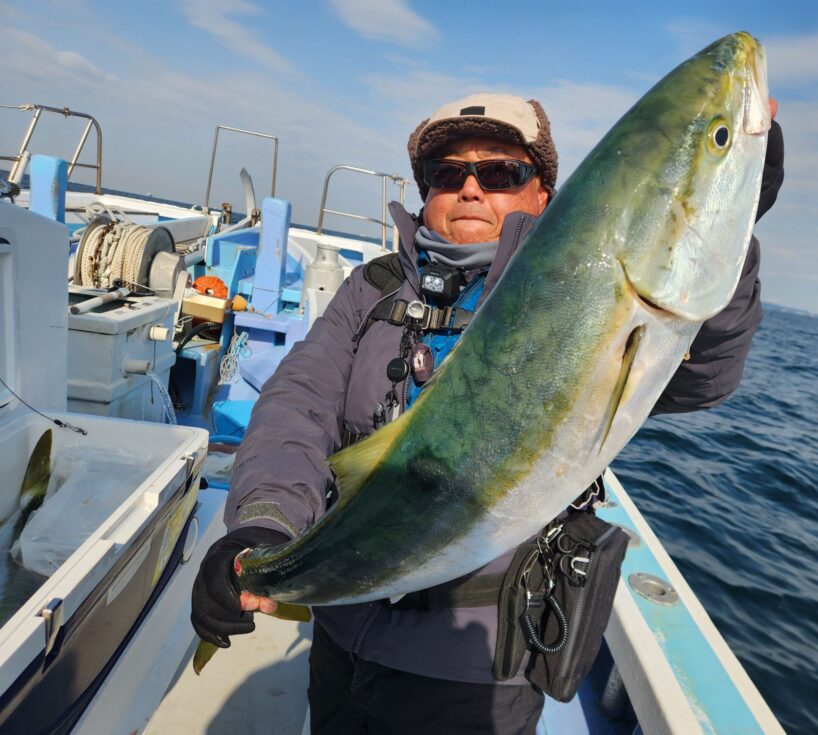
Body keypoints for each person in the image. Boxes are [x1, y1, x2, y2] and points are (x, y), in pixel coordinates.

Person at [192, 93, 784, 734]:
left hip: (475, 669)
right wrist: (263, 527)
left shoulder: (584, 298)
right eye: (448, 175)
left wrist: (731, 219)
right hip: (343, 623)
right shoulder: (374, 289)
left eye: (501, 173)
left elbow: (699, 374)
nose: (470, 189)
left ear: (544, 194)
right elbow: (297, 405)